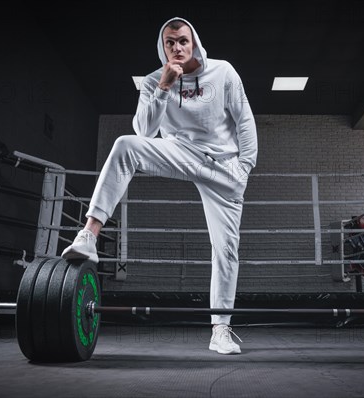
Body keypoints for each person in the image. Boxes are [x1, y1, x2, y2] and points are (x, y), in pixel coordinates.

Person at [61, 17, 258, 355]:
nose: (177, 48)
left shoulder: (224, 72)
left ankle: (221, 330)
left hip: (224, 168)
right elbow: (144, 131)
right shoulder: (155, 80)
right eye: (170, 43)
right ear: (163, 46)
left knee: (226, 250)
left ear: (193, 41)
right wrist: (164, 88)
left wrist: (245, 167)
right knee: (126, 145)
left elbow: (245, 121)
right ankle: (89, 235)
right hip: (181, 153)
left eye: (182, 40)